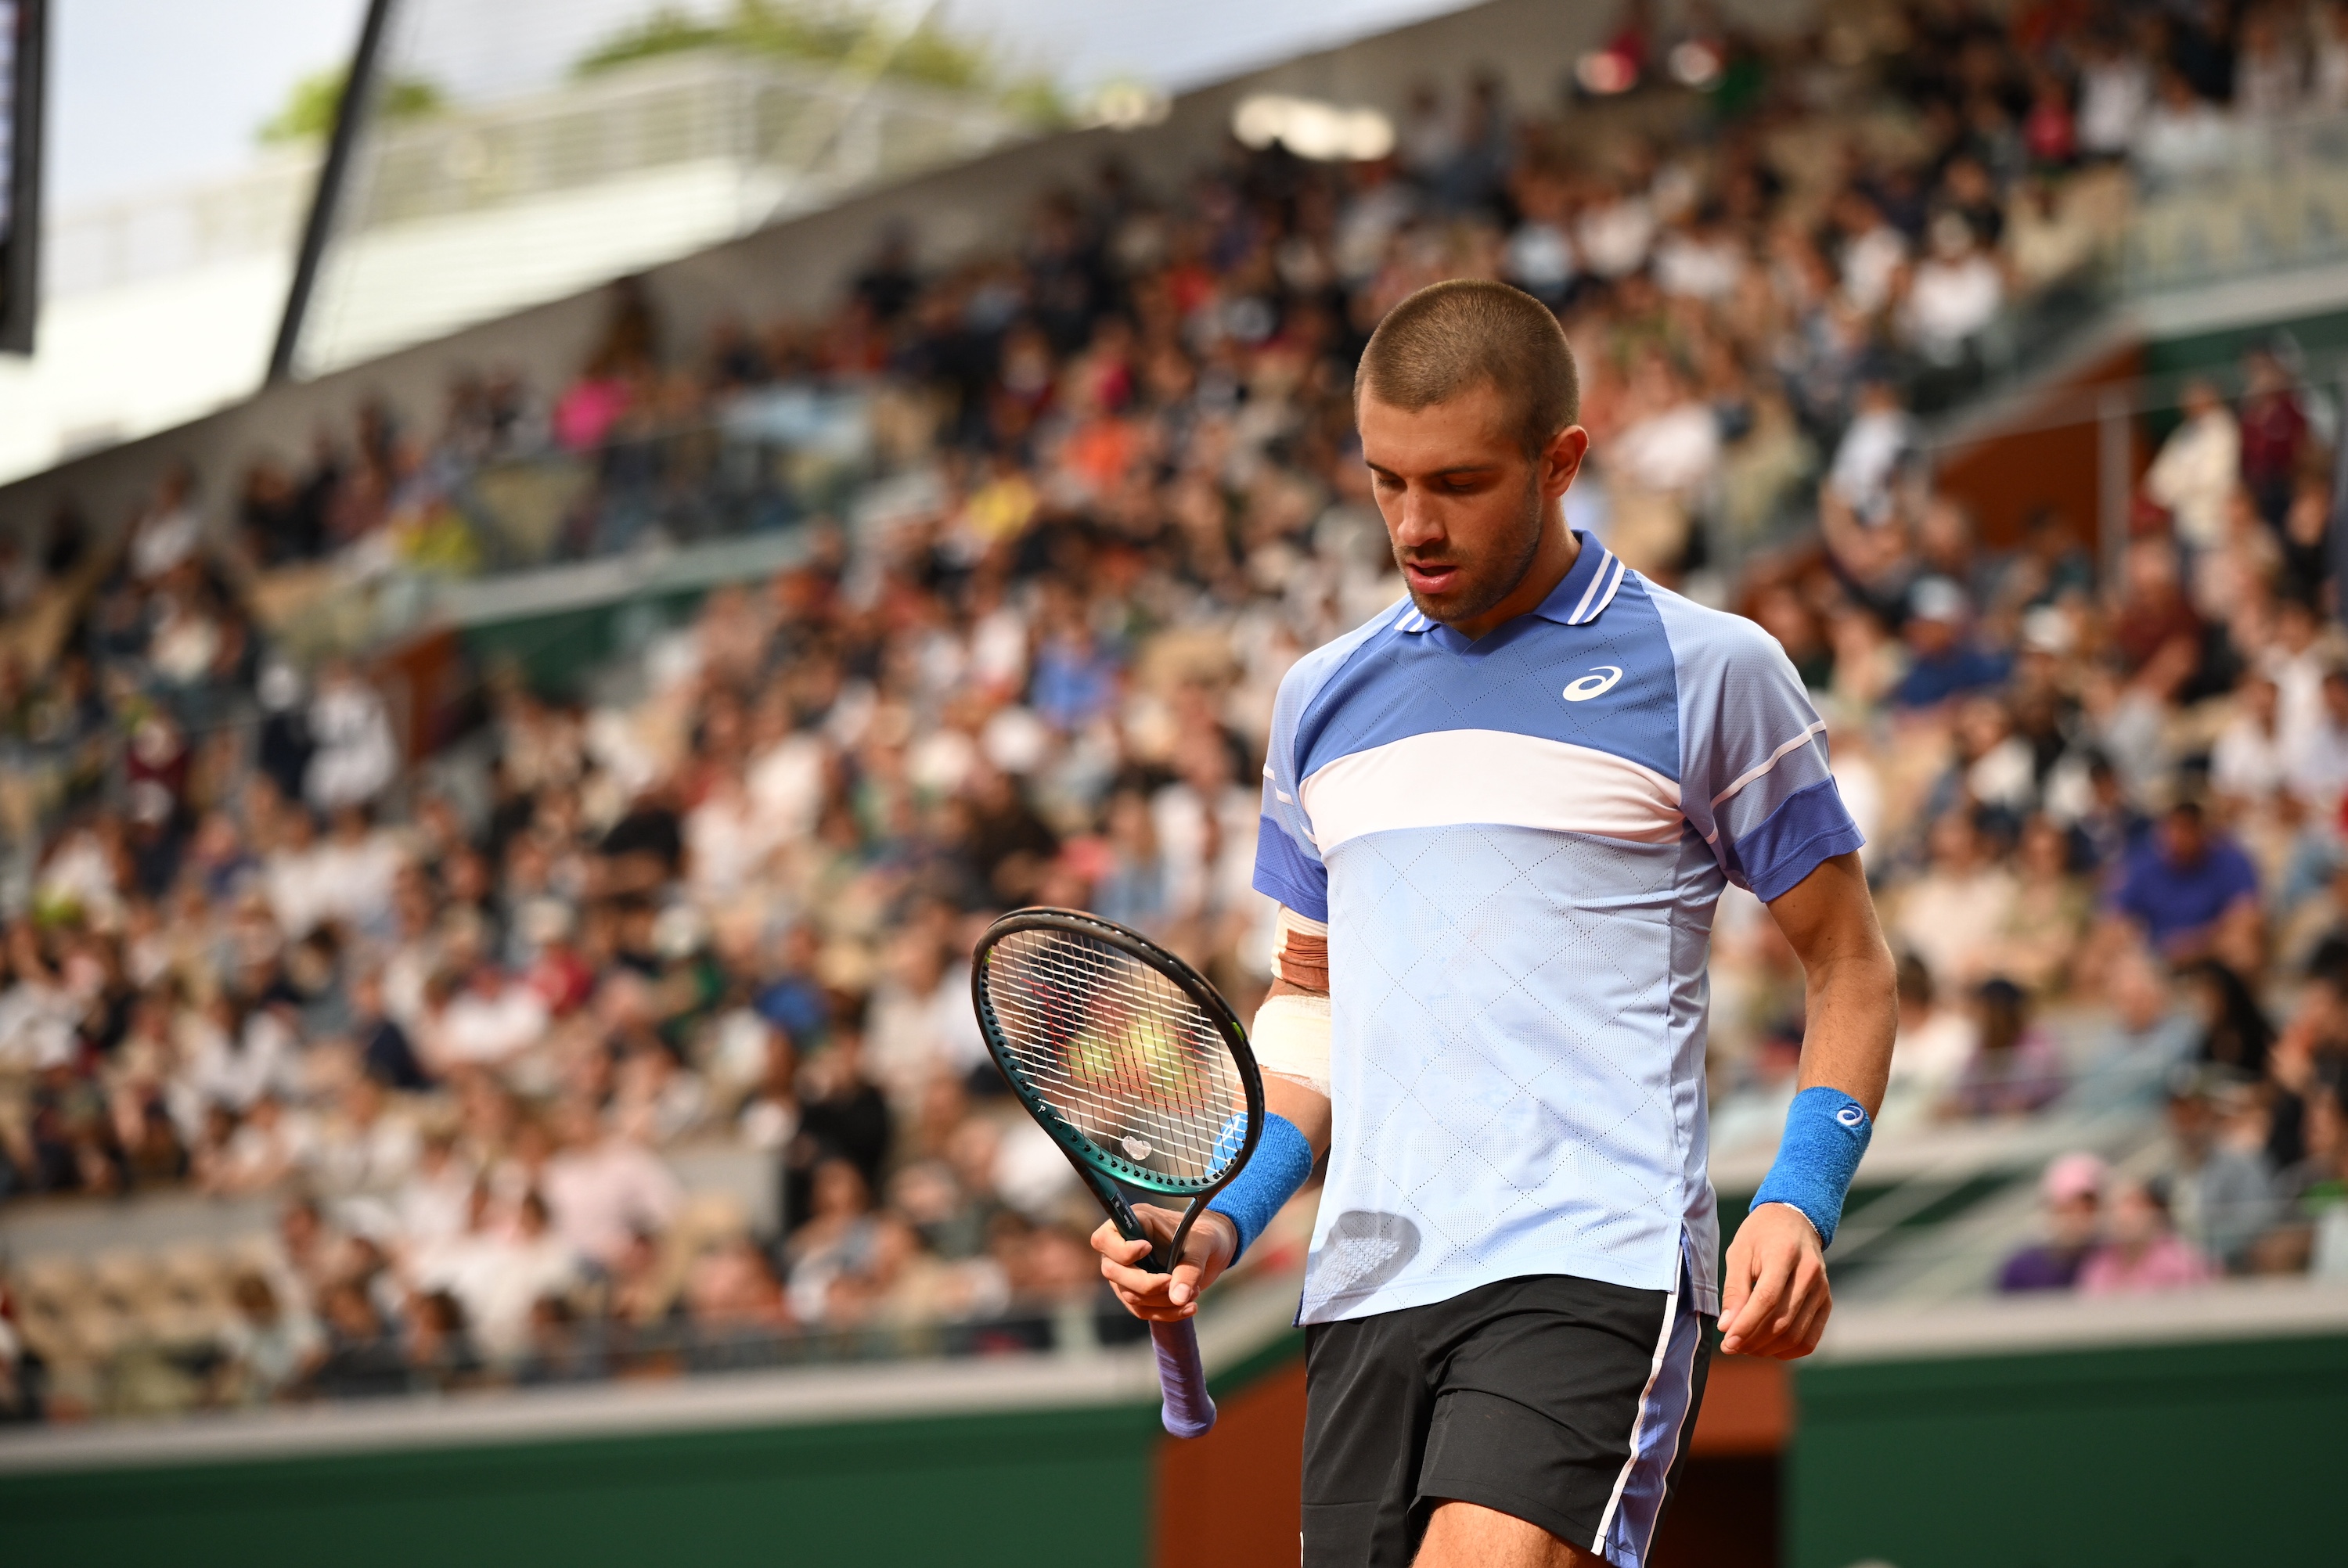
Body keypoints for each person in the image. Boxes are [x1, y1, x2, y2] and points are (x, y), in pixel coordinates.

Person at [1092, 280, 1897, 1568]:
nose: (1414, 523)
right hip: (1369, 1277)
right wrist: (1225, 1211)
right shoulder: (1318, 698)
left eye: (1458, 482)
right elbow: (1313, 1007)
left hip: (1596, 1253)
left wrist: (1800, 1195)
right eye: (1386, 479)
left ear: (1560, 460)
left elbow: (1849, 962)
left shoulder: (1711, 669)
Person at [1998, 1153, 2106, 1293]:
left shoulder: (2107, 1259)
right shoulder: (2021, 1268)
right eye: (2068, 1208)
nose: (2077, 1217)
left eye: (2087, 1208)